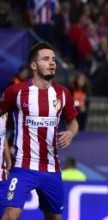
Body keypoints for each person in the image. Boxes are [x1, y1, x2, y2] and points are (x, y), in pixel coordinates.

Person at [0, 41, 79, 220]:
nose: (52, 63)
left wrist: (71, 133)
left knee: (54, 218)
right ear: (34, 65)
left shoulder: (63, 94)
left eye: (53, 59)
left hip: (52, 169)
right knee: (11, 214)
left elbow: (74, 123)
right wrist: (4, 144)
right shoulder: (16, 92)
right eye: (46, 59)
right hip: (23, 167)